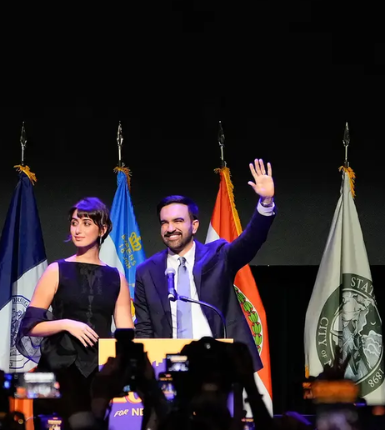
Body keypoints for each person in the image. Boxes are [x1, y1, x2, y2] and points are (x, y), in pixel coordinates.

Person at [133, 159, 277, 374]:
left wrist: (266, 203)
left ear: (195, 225)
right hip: (169, 365)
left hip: (219, 362)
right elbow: (144, 327)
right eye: (164, 223)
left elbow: (250, 241)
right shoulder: (147, 271)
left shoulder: (218, 255)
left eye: (178, 221)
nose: (170, 228)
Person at [19, 197, 134, 419]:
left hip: (98, 372)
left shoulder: (117, 278)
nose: (77, 230)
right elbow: (29, 327)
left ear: (103, 229)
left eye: (86, 223)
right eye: (74, 223)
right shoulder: (56, 270)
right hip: (55, 368)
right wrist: (66, 324)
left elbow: (125, 335)